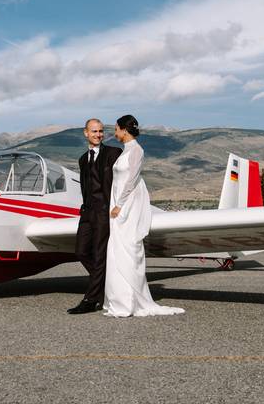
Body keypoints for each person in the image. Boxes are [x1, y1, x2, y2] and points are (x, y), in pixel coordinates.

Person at [103, 115, 184, 317]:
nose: (114, 133)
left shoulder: (137, 150)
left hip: (126, 206)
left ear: (123, 129)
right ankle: (119, 300)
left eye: (116, 129)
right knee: (116, 250)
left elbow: (131, 181)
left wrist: (119, 206)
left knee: (128, 249)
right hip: (119, 204)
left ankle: (130, 301)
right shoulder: (126, 151)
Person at [68, 118, 122, 314]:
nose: (98, 134)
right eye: (94, 131)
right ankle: (106, 283)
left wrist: (118, 206)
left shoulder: (114, 153)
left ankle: (91, 299)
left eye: (101, 131)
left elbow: (125, 179)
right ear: (86, 133)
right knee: (81, 251)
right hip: (87, 211)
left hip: (104, 211)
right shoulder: (83, 159)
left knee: (99, 255)